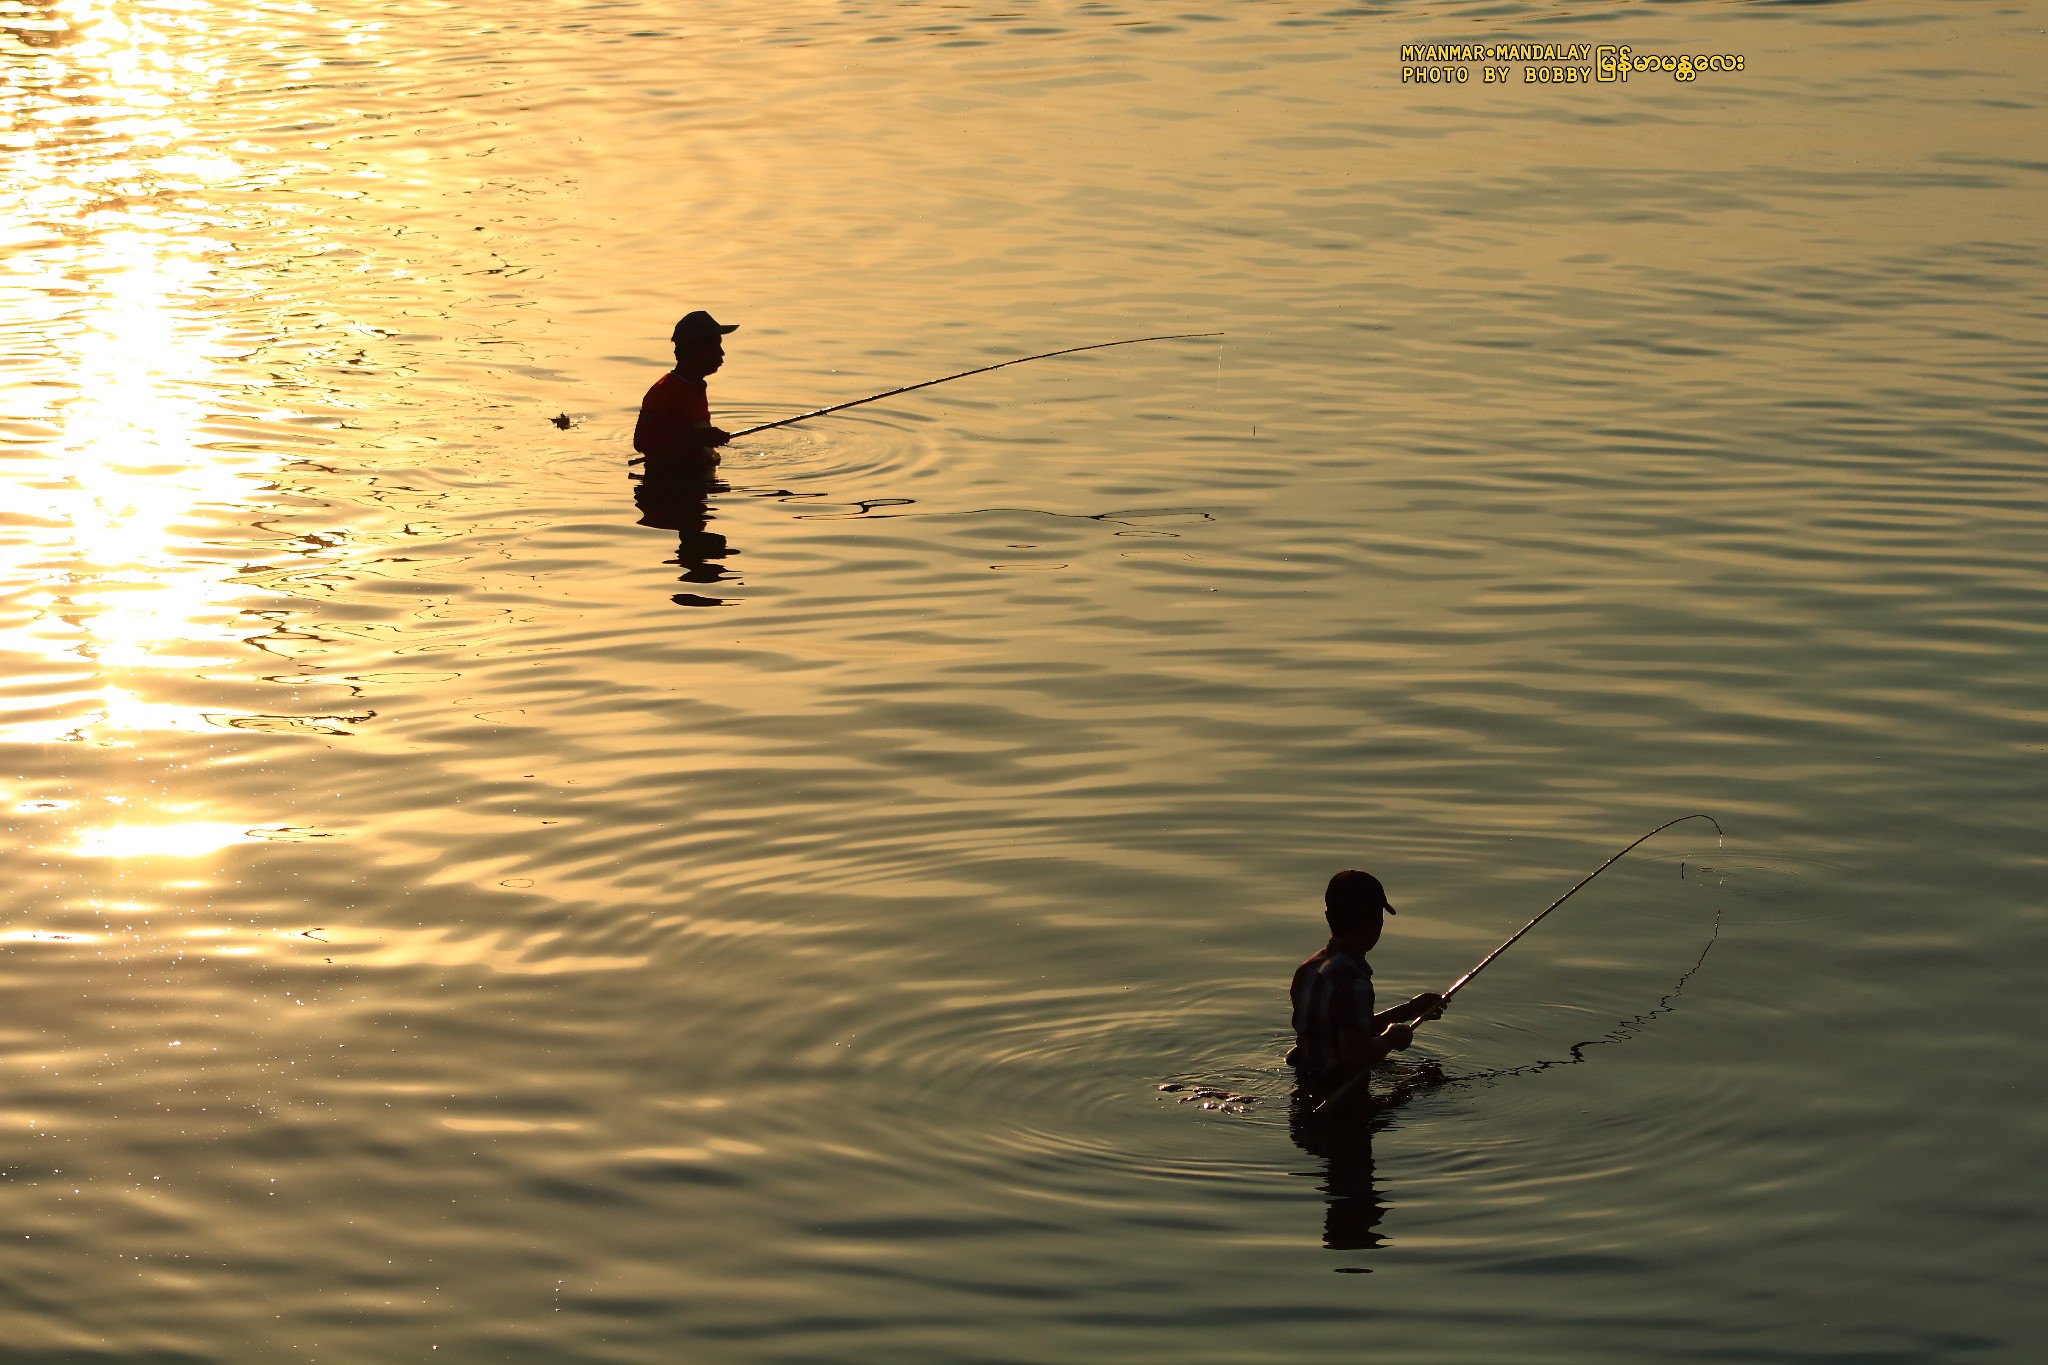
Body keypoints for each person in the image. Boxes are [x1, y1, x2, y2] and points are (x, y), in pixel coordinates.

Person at [1288, 870, 1444, 1091]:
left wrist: (1408, 1011)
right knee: (1428, 1081)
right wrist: (1392, 1038)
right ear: (1376, 921)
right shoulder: (1353, 981)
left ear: (1328, 916)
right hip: (1342, 1103)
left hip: (1305, 1085)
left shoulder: (1308, 969)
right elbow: (1355, 1057)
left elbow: (1343, 1029)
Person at [633, 310, 738, 462]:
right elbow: (642, 441)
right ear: (696, 351)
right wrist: (701, 436)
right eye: (715, 346)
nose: (722, 353)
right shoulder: (664, 391)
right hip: (671, 481)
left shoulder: (695, 386)